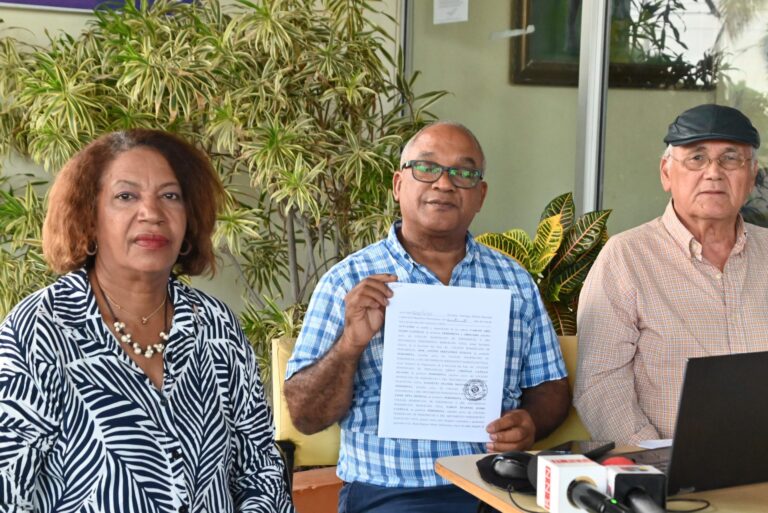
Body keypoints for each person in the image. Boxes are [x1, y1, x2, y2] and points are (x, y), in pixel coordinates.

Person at [0, 129, 293, 512]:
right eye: (126, 196)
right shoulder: (38, 331)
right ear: (90, 217)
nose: (152, 213)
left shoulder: (216, 326)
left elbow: (260, 472)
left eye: (170, 196)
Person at [283, 121, 569, 512]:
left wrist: (530, 423)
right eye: (427, 168)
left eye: (463, 173)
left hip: (495, 487)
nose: (444, 184)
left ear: (481, 195)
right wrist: (350, 344)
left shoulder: (513, 281)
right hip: (391, 493)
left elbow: (550, 387)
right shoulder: (347, 281)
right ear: (398, 184)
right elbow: (305, 417)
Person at [574, 104, 768, 444]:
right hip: (669, 466)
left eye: (730, 159)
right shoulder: (626, 258)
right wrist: (656, 459)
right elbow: (599, 382)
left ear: (751, 176)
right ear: (666, 173)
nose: (713, 173)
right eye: (696, 158)